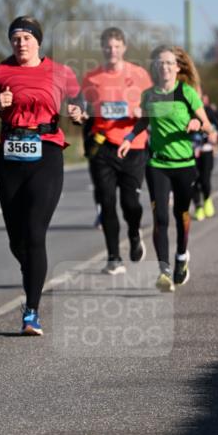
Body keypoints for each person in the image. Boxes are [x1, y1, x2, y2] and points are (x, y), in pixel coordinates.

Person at [0, 15, 84, 336]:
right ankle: (31, 269)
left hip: (46, 150)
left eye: (27, 38)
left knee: (35, 232)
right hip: (9, 155)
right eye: (16, 38)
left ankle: (31, 310)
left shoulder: (60, 72)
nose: (21, 43)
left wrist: (77, 111)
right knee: (16, 238)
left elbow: (78, 100)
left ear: (38, 41)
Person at [117, 45, 216, 292]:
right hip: (157, 164)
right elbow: (144, 121)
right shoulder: (149, 95)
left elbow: (208, 125)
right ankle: (164, 271)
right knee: (160, 217)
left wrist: (197, 122)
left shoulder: (187, 93)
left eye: (170, 63)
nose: (165, 67)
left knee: (181, 214)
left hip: (184, 165)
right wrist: (129, 138)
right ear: (156, 68)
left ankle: (182, 256)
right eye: (161, 63)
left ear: (177, 67)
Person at [80, 27, 152, 274]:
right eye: (108, 47)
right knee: (107, 201)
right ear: (103, 48)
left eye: (116, 46)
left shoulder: (140, 75)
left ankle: (134, 233)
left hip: (133, 146)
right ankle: (113, 257)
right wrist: (80, 117)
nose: (112, 51)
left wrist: (143, 113)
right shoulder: (91, 77)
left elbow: (154, 107)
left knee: (130, 202)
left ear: (124, 48)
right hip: (104, 147)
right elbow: (85, 110)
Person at [191, 92, 217, 220]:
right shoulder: (186, 110)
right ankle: (198, 206)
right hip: (191, 151)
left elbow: (215, 128)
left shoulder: (208, 111)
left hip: (206, 150)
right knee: (193, 180)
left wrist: (212, 135)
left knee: (205, 180)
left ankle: (207, 199)